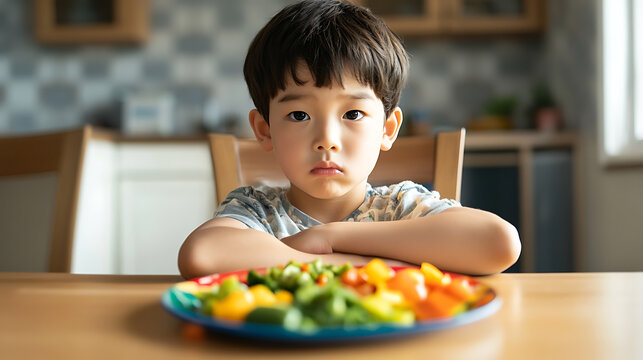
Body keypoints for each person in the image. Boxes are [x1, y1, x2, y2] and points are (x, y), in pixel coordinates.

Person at [178, 0, 520, 279]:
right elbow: (202, 253)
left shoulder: (400, 207)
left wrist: (329, 237)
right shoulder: (257, 211)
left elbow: (499, 242)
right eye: (299, 116)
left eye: (352, 114)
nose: (327, 140)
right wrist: (347, 265)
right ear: (264, 129)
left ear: (387, 129)